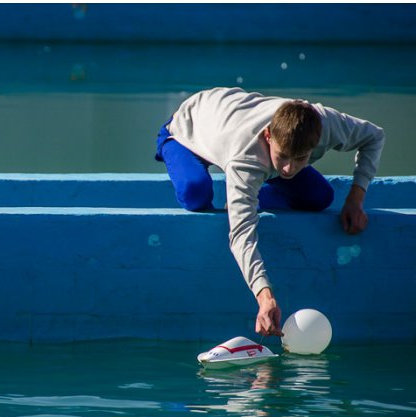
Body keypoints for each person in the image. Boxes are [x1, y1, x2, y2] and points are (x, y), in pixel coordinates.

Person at [154, 87, 385, 337]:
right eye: (283, 156)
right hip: (191, 124)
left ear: (316, 143)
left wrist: (356, 196)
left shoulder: (325, 123)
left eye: (300, 158)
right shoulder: (246, 158)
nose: (288, 168)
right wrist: (264, 296)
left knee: (321, 197)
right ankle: (234, 191)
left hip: (234, 119)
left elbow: (374, 136)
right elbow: (241, 235)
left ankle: (247, 198)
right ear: (268, 136)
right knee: (195, 194)